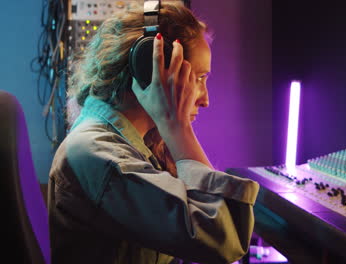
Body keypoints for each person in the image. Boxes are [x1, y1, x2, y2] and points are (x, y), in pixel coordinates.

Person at [47, 2, 259, 264]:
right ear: (152, 70)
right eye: (200, 78)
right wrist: (177, 127)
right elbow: (223, 238)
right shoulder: (96, 155)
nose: (205, 99)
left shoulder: (131, 142)